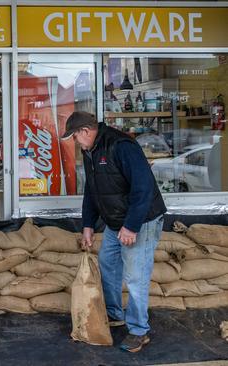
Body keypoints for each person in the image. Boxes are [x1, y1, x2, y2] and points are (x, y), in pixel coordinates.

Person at [61, 111, 166, 353]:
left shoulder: (121, 146)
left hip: (142, 220)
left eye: (75, 137)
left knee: (136, 276)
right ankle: (114, 313)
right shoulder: (90, 152)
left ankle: (139, 330)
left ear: (85, 132)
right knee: (108, 262)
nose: (75, 142)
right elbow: (92, 189)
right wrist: (87, 224)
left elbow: (144, 188)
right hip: (115, 221)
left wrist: (131, 226)